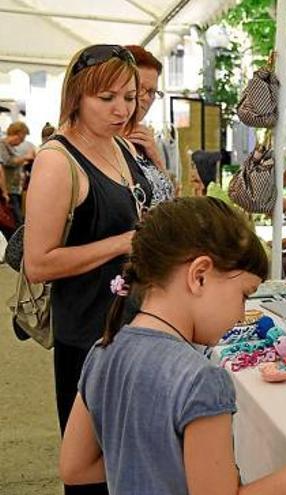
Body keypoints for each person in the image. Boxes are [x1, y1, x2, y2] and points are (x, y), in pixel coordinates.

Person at [59, 197, 286, 493]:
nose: (242, 312)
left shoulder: (102, 352)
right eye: (244, 295)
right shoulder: (200, 378)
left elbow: (75, 468)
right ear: (199, 275)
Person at [24, 44, 153, 495]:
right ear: (77, 95)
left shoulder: (120, 146)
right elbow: (38, 263)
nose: (122, 109)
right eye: (107, 99)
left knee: (131, 464)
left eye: (130, 97)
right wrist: (122, 242)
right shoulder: (57, 161)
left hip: (132, 331)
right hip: (88, 342)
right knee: (92, 473)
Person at [123, 45, 175, 206]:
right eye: (140, 88)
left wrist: (157, 159)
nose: (146, 98)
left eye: (152, 92)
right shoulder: (102, 140)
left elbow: (170, 200)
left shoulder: (146, 142)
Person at [0, 121, 34, 228]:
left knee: (17, 219)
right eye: (21, 138)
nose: (21, 142)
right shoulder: (2, 145)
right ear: (16, 134)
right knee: (16, 221)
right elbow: (7, 162)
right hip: (9, 189)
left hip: (14, 188)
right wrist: (25, 157)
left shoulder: (11, 148)